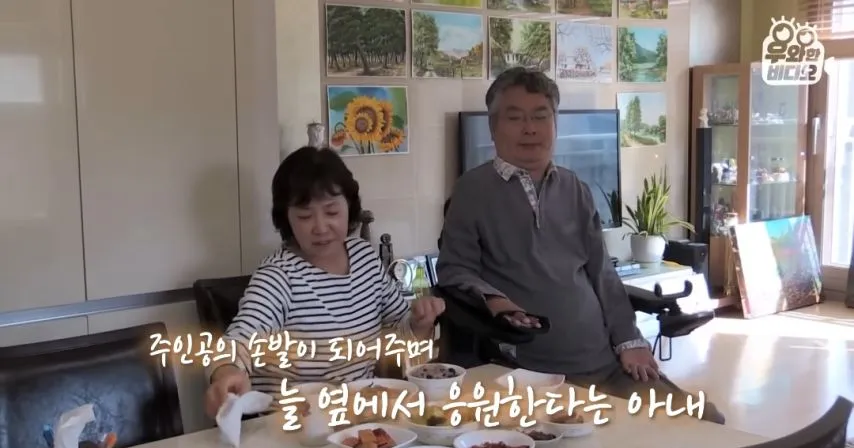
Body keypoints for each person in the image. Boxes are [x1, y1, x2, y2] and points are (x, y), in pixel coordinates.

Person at [436, 67, 724, 424]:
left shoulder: (575, 189)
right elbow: (453, 270)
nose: (529, 129)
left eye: (540, 116)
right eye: (515, 117)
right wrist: (493, 299)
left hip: (608, 364)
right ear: (494, 128)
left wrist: (630, 341)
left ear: (554, 125)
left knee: (706, 420)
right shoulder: (472, 191)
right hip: (533, 375)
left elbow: (602, 272)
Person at [205, 146, 445, 418]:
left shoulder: (365, 258)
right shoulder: (279, 276)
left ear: (349, 207)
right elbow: (239, 339)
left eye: (331, 212)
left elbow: (401, 333)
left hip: (360, 420)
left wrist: (419, 322)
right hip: (292, 427)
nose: (320, 227)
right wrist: (226, 371)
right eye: (305, 216)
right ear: (286, 218)